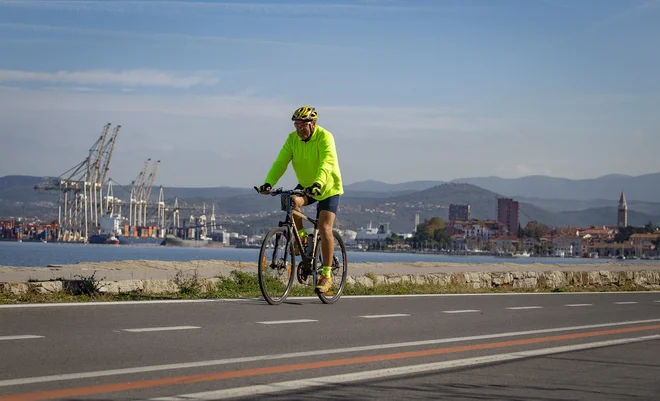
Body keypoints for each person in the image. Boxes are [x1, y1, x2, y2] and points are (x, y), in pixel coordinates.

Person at [256, 106, 343, 293]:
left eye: (303, 125)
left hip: (327, 187)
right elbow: (281, 162)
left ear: (313, 124)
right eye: (296, 125)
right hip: (306, 186)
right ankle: (302, 238)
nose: (299, 129)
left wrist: (319, 183)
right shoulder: (292, 139)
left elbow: (327, 163)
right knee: (291, 201)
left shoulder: (325, 137)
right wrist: (268, 183)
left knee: (324, 227)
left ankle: (326, 275)